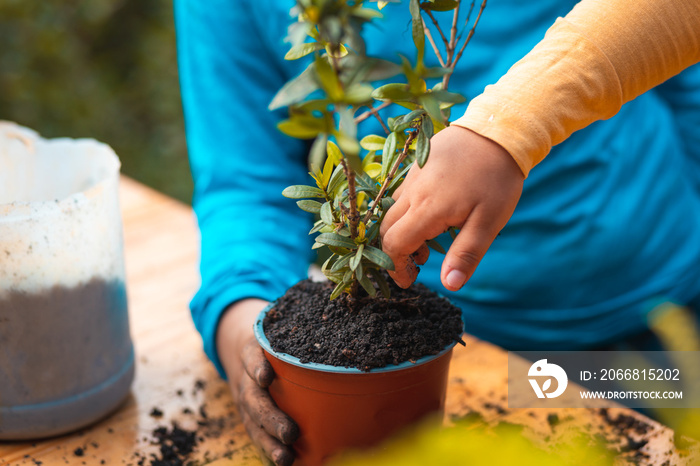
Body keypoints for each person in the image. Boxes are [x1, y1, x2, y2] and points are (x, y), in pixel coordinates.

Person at [174, 0, 700, 464]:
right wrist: (240, 324)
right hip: (472, 358)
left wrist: (507, 127)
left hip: (659, 311)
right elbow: (246, 183)